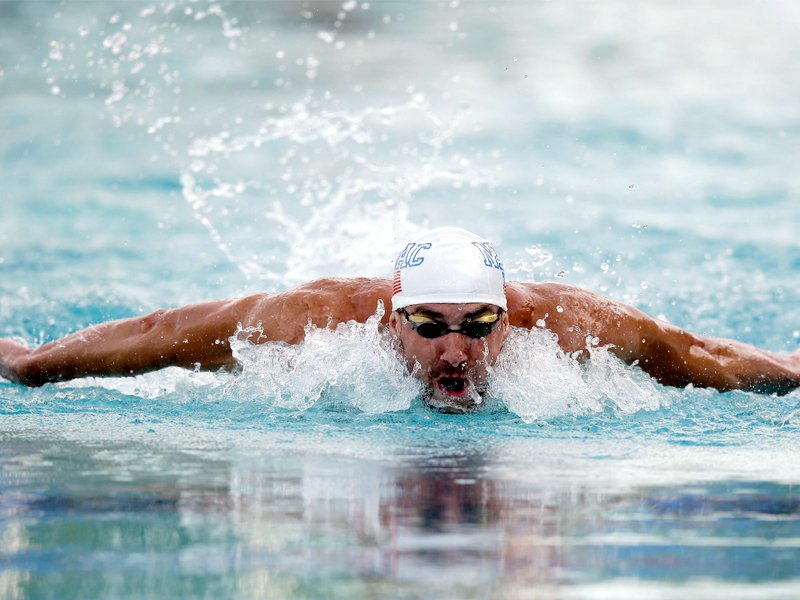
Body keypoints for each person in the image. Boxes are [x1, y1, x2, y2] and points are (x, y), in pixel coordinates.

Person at [1, 227, 798, 411]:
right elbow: (156, 335)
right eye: (433, 326)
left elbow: (705, 357)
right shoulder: (315, 322)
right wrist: (31, 366)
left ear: (509, 317)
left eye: (481, 324)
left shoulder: (566, 324)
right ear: (391, 315)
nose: (458, 348)